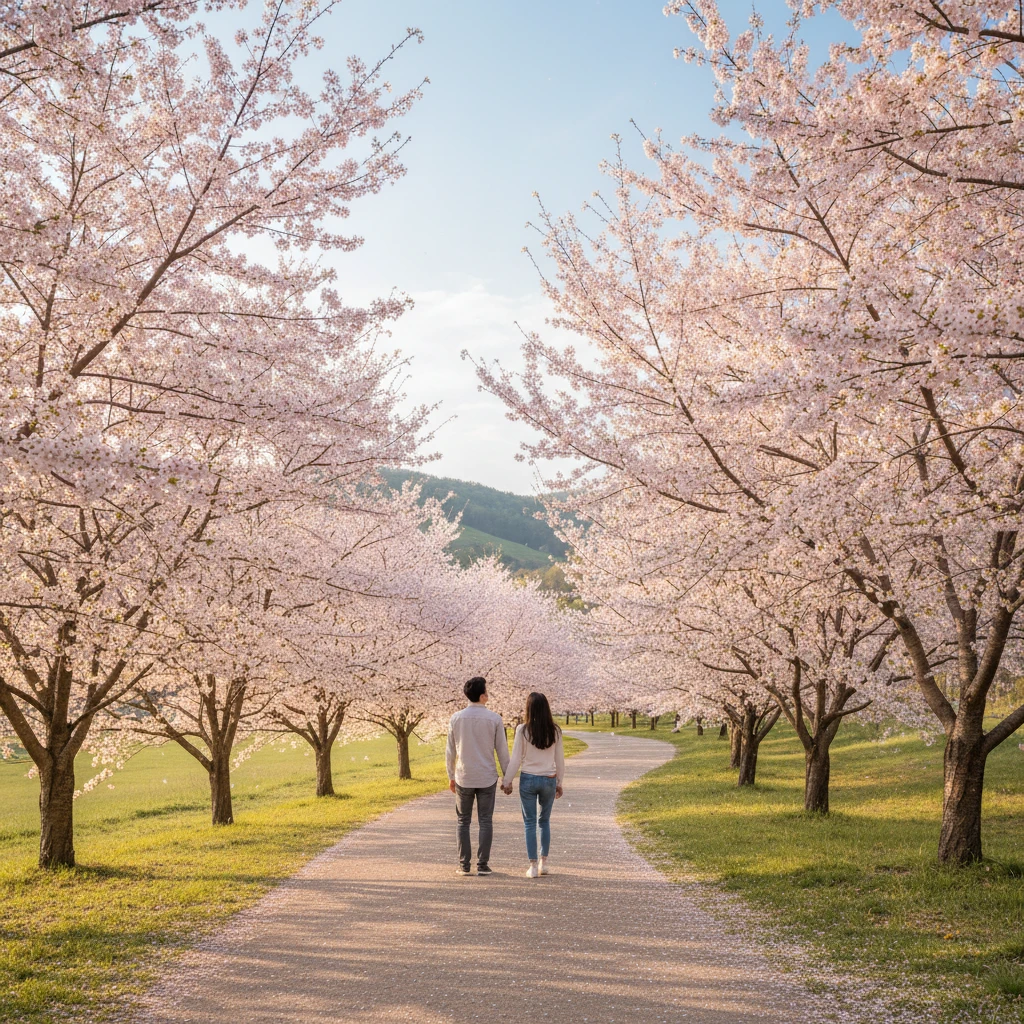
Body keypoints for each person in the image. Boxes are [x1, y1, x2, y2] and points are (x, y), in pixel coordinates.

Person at [445, 676, 509, 876]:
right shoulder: (494, 719)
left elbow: (450, 751)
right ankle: (482, 865)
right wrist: (507, 778)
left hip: (464, 775)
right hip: (487, 776)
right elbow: (502, 751)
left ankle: (464, 865)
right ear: (482, 696)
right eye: (486, 691)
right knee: (486, 820)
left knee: (463, 821)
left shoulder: (456, 718)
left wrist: (451, 776)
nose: (488, 694)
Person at [501, 691, 564, 878]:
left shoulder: (522, 730)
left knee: (529, 822)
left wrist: (507, 781)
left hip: (528, 778)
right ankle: (544, 863)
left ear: (528, 709)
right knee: (544, 821)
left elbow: (516, 759)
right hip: (549, 779)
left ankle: (533, 866)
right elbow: (559, 760)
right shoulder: (555, 731)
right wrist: (560, 782)